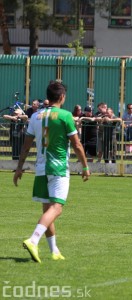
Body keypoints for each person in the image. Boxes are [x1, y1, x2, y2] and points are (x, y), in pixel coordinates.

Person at [16, 80, 90, 263]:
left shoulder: (35, 116)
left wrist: (19, 167)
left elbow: (26, 145)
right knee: (57, 208)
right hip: (58, 168)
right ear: (62, 97)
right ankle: (33, 240)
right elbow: (77, 144)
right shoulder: (65, 116)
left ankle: (54, 250)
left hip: (40, 168)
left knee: (48, 210)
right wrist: (85, 166)